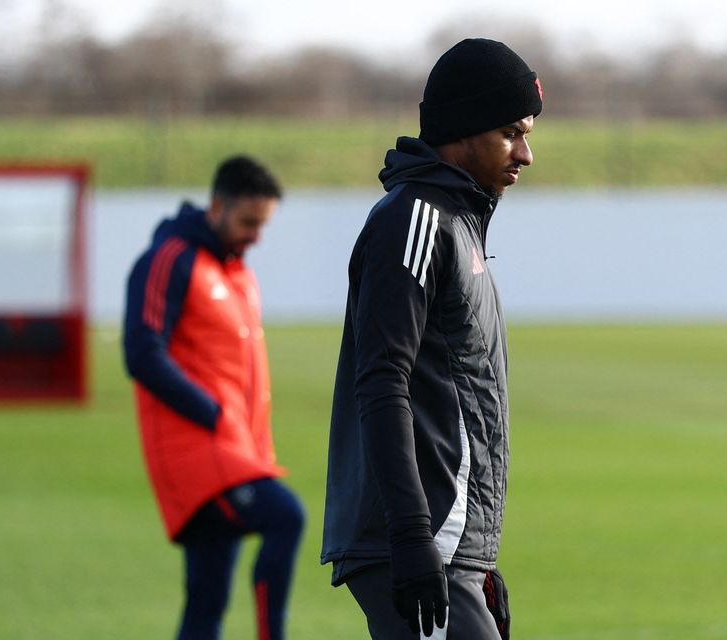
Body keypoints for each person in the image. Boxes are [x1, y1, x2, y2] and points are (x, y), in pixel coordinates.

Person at [321, 38, 544, 639]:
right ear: (464, 131)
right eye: (510, 133)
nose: (526, 153)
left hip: (452, 548)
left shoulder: (459, 224)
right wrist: (416, 540)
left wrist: (478, 560)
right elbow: (383, 380)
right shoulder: (414, 219)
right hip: (420, 542)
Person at [123, 155, 304, 640]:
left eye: (263, 225)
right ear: (217, 206)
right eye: (248, 222)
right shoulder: (170, 258)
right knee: (286, 516)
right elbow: (142, 352)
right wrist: (212, 412)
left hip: (233, 450)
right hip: (199, 452)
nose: (255, 236)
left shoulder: (236, 274)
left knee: (206, 604)